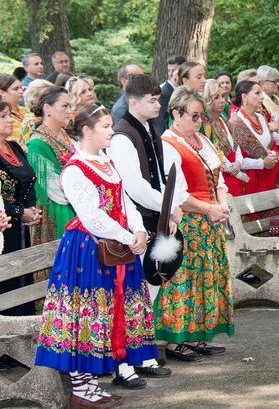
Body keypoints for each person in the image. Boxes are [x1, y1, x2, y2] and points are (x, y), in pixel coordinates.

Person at [34, 104, 155, 408]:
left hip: (114, 245)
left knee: (107, 313)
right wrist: (128, 237)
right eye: (104, 126)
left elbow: (125, 201)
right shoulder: (75, 168)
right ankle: (80, 388)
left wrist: (138, 229)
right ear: (87, 130)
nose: (111, 130)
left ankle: (90, 385)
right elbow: (91, 217)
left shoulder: (105, 160)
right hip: (88, 249)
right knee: (85, 314)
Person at [108, 74, 183, 385]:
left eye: (158, 99)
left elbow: (160, 176)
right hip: (135, 224)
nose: (157, 103)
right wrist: (166, 208)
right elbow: (133, 186)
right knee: (131, 294)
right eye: (152, 100)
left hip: (154, 216)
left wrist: (172, 207)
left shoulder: (150, 128)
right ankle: (125, 360)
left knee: (148, 291)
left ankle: (142, 352)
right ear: (133, 101)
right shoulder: (123, 135)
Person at [155, 86, 234, 361]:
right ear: (176, 113)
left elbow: (219, 179)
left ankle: (199, 335)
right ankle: (176, 341)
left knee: (206, 278)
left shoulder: (203, 141)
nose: (199, 121)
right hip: (187, 222)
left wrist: (221, 204)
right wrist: (209, 208)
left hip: (210, 220)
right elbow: (177, 194)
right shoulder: (167, 144)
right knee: (183, 279)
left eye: (202, 117)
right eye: (195, 116)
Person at [0, 101, 41, 315]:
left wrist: (31, 209)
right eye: (3, 116)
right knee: (6, 279)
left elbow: (29, 179)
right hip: (4, 227)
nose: (10, 120)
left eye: (9, 115)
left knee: (22, 275)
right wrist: (18, 212)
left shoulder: (14, 146)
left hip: (20, 226)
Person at [26, 87, 76, 246]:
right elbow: (53, 189)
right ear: (47, 108)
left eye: (70, 106)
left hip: (77, 203)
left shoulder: (65, 134)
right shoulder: (37, 143)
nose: (70, 111)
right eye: (64, 106)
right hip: (57, 211)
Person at [228, 81, 279, 195]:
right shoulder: (235, 123)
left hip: (268, 177)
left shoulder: (261, 117)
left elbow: (272, 144)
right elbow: (236, 157)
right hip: (250, 180)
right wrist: (261, 163)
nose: (262, 97)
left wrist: (273, 156)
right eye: (257, 93)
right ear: (244, 97)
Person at [201, 79, 249, 196]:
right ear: (207, 99)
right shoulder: (205, 123)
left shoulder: (223, 118)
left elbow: (236, 144)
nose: (222, 100)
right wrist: (237, 173)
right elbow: (212, 150)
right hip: (222, 178)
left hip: (235, 173)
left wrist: (238, 161)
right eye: (216, 97)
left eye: (223, 96)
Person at [257, 65, 279, 186]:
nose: (277, 84)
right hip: (271, 148)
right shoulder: (260, 101)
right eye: (273, 81)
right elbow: (265, 127)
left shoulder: (276, 99)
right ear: (261, 83)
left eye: (277, 81)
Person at [0, 74, 34, 148]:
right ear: (2, 92)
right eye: (16, 89)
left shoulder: (28, 110)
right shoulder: (1, 117)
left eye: (21, 88)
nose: (21, 91)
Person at [156, 55, 186, 136]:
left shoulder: (182, 90)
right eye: (169, 70)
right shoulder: (163, 93)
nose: (170, 74)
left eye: (173, 70)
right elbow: (160, 121)